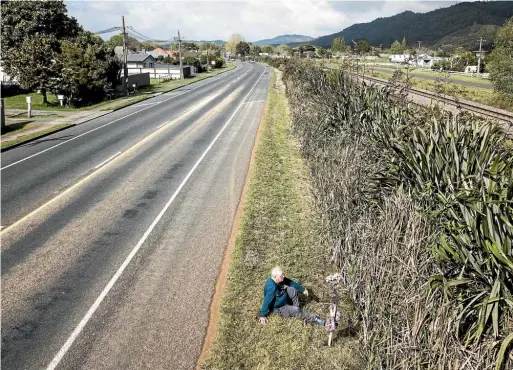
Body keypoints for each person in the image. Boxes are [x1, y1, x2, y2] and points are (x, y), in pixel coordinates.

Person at [258, 267, 326, 326]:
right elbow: (266, 301)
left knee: (292, 289)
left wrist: (303, 290)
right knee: (295, 310)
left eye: (283, 274)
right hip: (280, 308)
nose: (283, 276)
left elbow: (291, 283)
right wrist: (262, 315)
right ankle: (315, 319)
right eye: (281, 276)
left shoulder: (278, 279)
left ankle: (297, 309)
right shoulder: (271, 288)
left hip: (283, 299)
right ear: (275, 277)